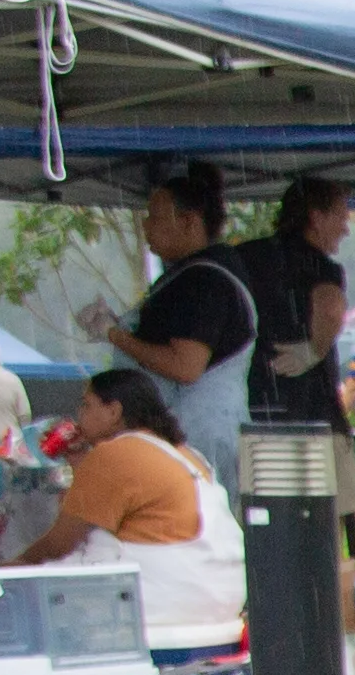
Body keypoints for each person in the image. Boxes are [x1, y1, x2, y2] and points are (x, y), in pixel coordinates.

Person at [0, 367, 242, 639]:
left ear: (114, 411)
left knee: (15, 596)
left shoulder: (116, 454)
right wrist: (79, 460)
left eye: (86, 405)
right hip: (220, 599)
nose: (79, 414)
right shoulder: (186, 453)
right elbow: (103, 507)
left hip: (164, 604)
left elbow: (60, 543)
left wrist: (14, 566)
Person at [85, 168, 256, 489]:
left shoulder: (205, 280)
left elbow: (185, 365)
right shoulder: (190, 276)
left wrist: (116, 335)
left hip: (197, 432)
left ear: (190, 222)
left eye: (154, 217)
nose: (146, 226)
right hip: (190, 429)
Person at [229, 174, 355, 442]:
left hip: (253, 401)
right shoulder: (320, 266)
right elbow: (332, 308)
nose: (346, 229)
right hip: (311, 409)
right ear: (316, 218)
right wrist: (314, 350)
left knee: (262, 481)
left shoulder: (246, 256)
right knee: (321, 483)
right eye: (341, 218)